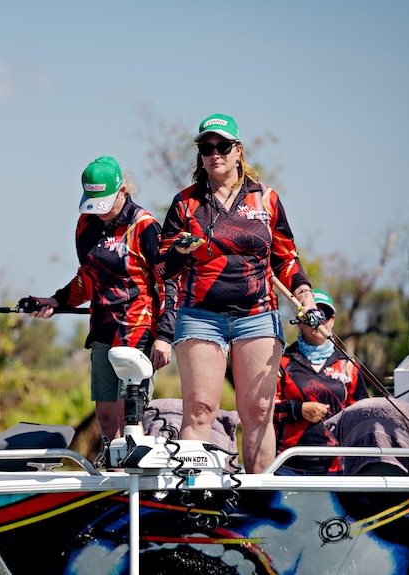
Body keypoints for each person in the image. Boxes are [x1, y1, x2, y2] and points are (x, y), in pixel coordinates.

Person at [155, 113, 318, 474]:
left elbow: (286, 257)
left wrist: (305, 294)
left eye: (223, 146)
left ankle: (258, 502)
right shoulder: (185, 203)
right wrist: (178, 252)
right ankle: (192, 503)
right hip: (199, 315)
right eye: (206, 147)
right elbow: (163, 270)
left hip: (257, 315)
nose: (215, 154)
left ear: (238, 150)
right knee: (199, 409)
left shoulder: (268, 199)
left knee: (258, 412)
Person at [29, 155, 177, 444]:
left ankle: (136, 476)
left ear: (122, 191)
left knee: (128, 413)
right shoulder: (85, 225)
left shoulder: (144, 226)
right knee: (106, 415)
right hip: (102, 331)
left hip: (138, 331)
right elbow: (88, 277)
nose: (100, 212)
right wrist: (58, 301)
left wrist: (165, 336)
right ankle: (116, 475)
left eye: (105, 205)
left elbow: (170, 281)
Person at [274, 289, 369, 474]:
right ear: (299, 321)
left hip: (338, 468)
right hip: (287, 466)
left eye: (324, 315)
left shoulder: (348, 366)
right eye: (311, 314)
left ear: (333, 320)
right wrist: (299, 410)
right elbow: (264, 411)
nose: (318, 321)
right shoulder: (282, 362)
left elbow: (363, 416)